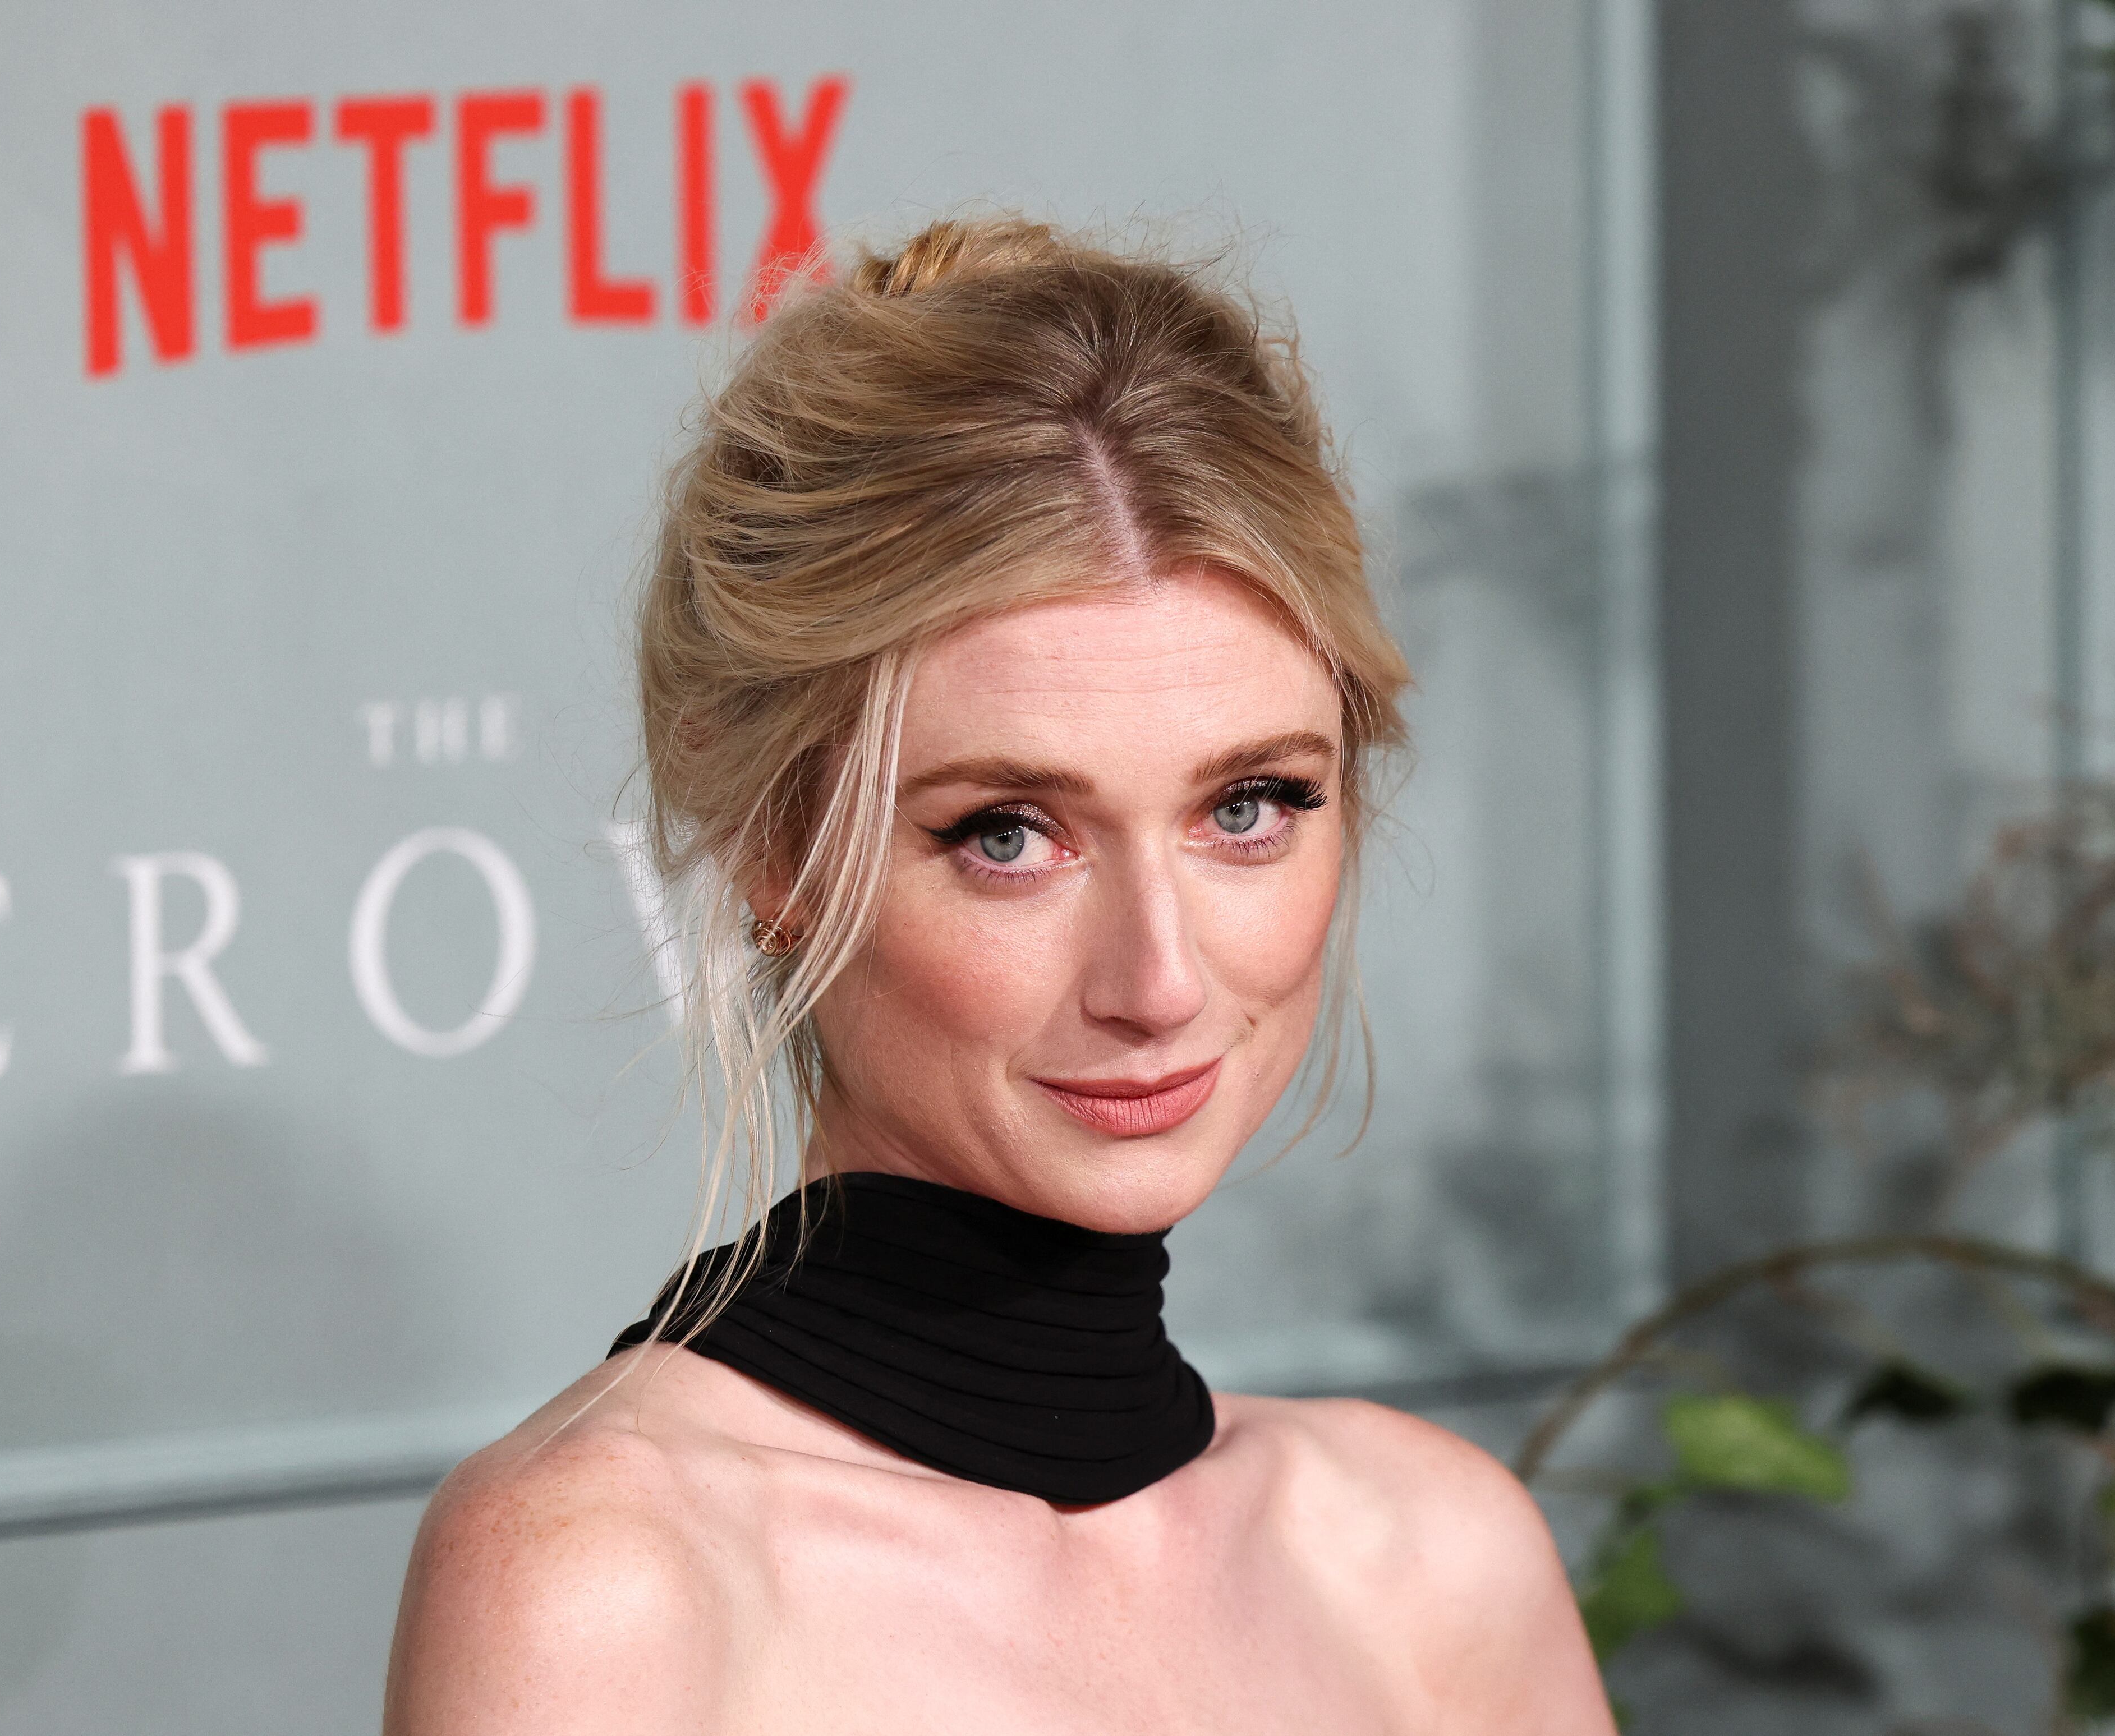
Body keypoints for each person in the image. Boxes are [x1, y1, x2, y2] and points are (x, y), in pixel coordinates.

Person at [382, 217, 1612, 1734]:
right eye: (1010, 834)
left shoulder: (1433, 1560)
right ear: (781, 849)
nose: (1159, 979)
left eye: (1248, 808)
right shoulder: (609, 1583)